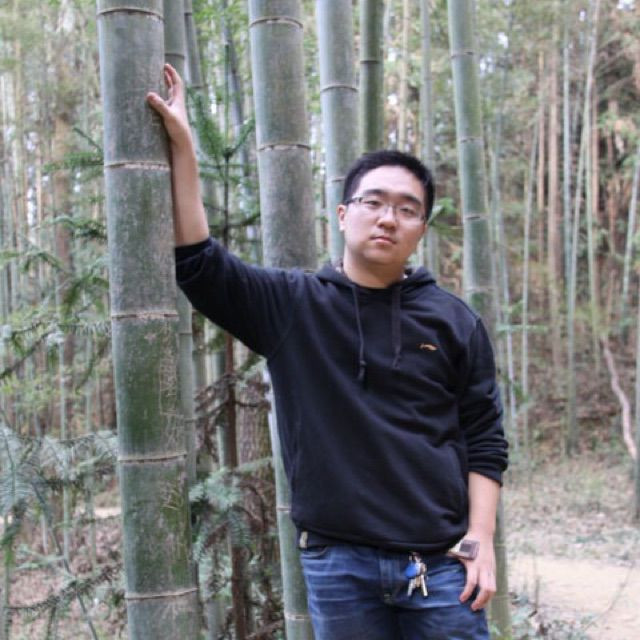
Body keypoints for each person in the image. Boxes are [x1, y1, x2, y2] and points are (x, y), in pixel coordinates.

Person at [147, 63, 508, 640]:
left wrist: (480, 539)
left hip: (441, 563)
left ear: (421, 229)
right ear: (343, 215)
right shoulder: (294, 306)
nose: (388, 218)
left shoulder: (453, 320)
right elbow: (200, 264)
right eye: (373, 202)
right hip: (339, 564)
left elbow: (484, 436)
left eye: (407, 209)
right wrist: (183, 147)